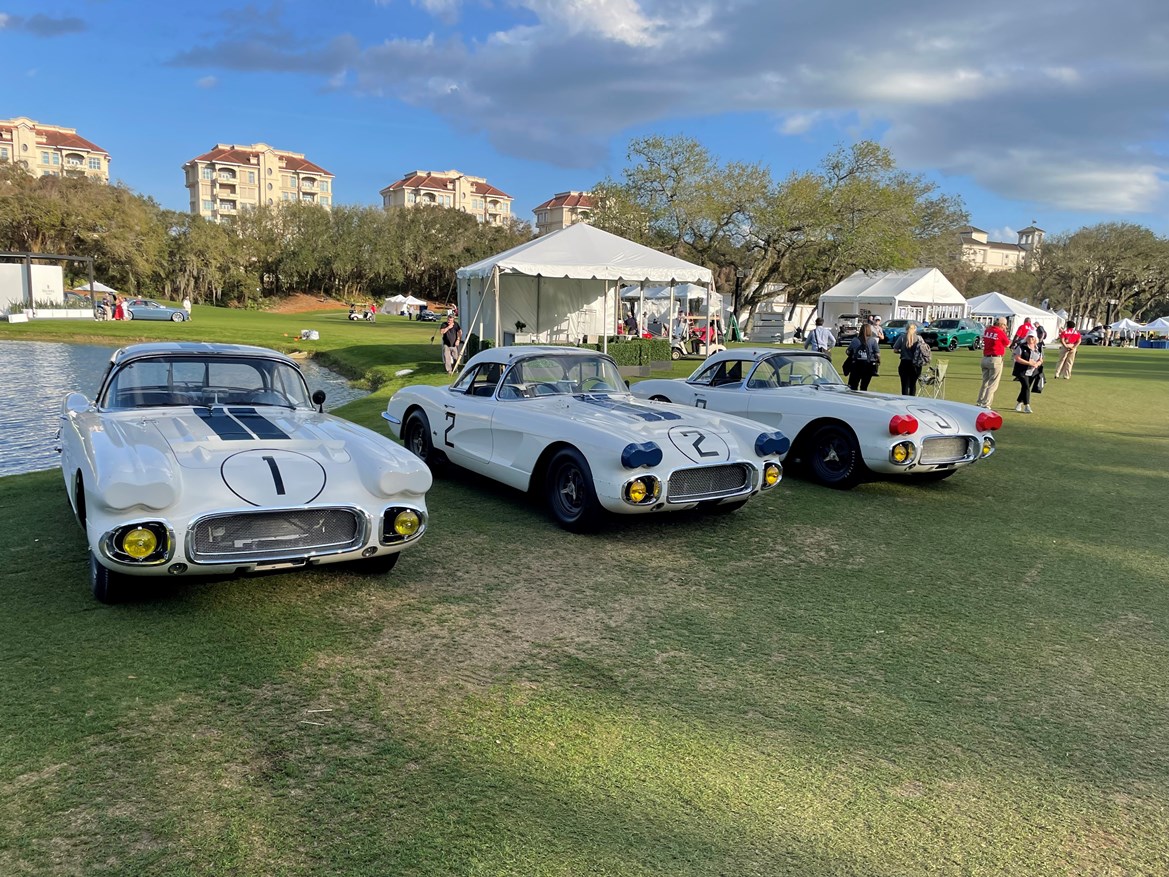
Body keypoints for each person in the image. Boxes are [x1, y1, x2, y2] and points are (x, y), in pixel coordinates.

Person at [977, 317, 1012, 408]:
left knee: (985, 382)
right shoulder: (1000, 332)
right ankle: (986, 403)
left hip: (985, 358)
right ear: (1002, 324)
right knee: (992, 384)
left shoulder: (987, 330)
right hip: (995, 359)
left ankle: (979, 401)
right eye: (1005, 325)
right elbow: (1007, 344)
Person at [892, 322, 930, 395]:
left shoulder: (902, 337)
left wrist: (902, 351)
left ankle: (904, 400)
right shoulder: (919, 338)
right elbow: (924, 350)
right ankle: (912, 399)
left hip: (904, 362)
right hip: (916, 364)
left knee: (904, 385)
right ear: (915, 329)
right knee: (913, 384)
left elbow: (895, 350)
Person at [1011, 334, 1044, 413]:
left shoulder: (1038, 347)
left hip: (1033, 371)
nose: (1031, 338)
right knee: (1026, 387)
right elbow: (1017, 358)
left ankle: (1019, 403)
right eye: (1029, 336)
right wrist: (1029, 363)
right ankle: (1027, 406)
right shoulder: (1021, 346)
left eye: (1032, 337)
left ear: (1035, 338)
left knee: (1025, 388)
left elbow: (1041, 360)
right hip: (1021, 371)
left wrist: (1036, 364)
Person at [846, 322, 880, 391]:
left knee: (853, 387)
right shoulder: (872, 341)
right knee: (864, 387)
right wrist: (878, 361)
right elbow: (877, 354)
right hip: (868, 365)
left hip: (856, 365)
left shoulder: (855, 340)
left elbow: (848, 351)